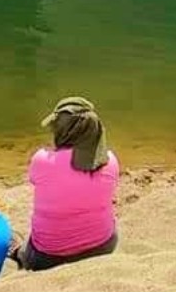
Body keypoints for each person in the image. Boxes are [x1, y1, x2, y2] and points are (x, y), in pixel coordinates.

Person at [17, 96, 120, 271]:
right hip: (102, 248)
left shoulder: (41, 160)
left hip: (47, 257)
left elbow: (36, 181)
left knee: (16, 241)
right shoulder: (109, 160)